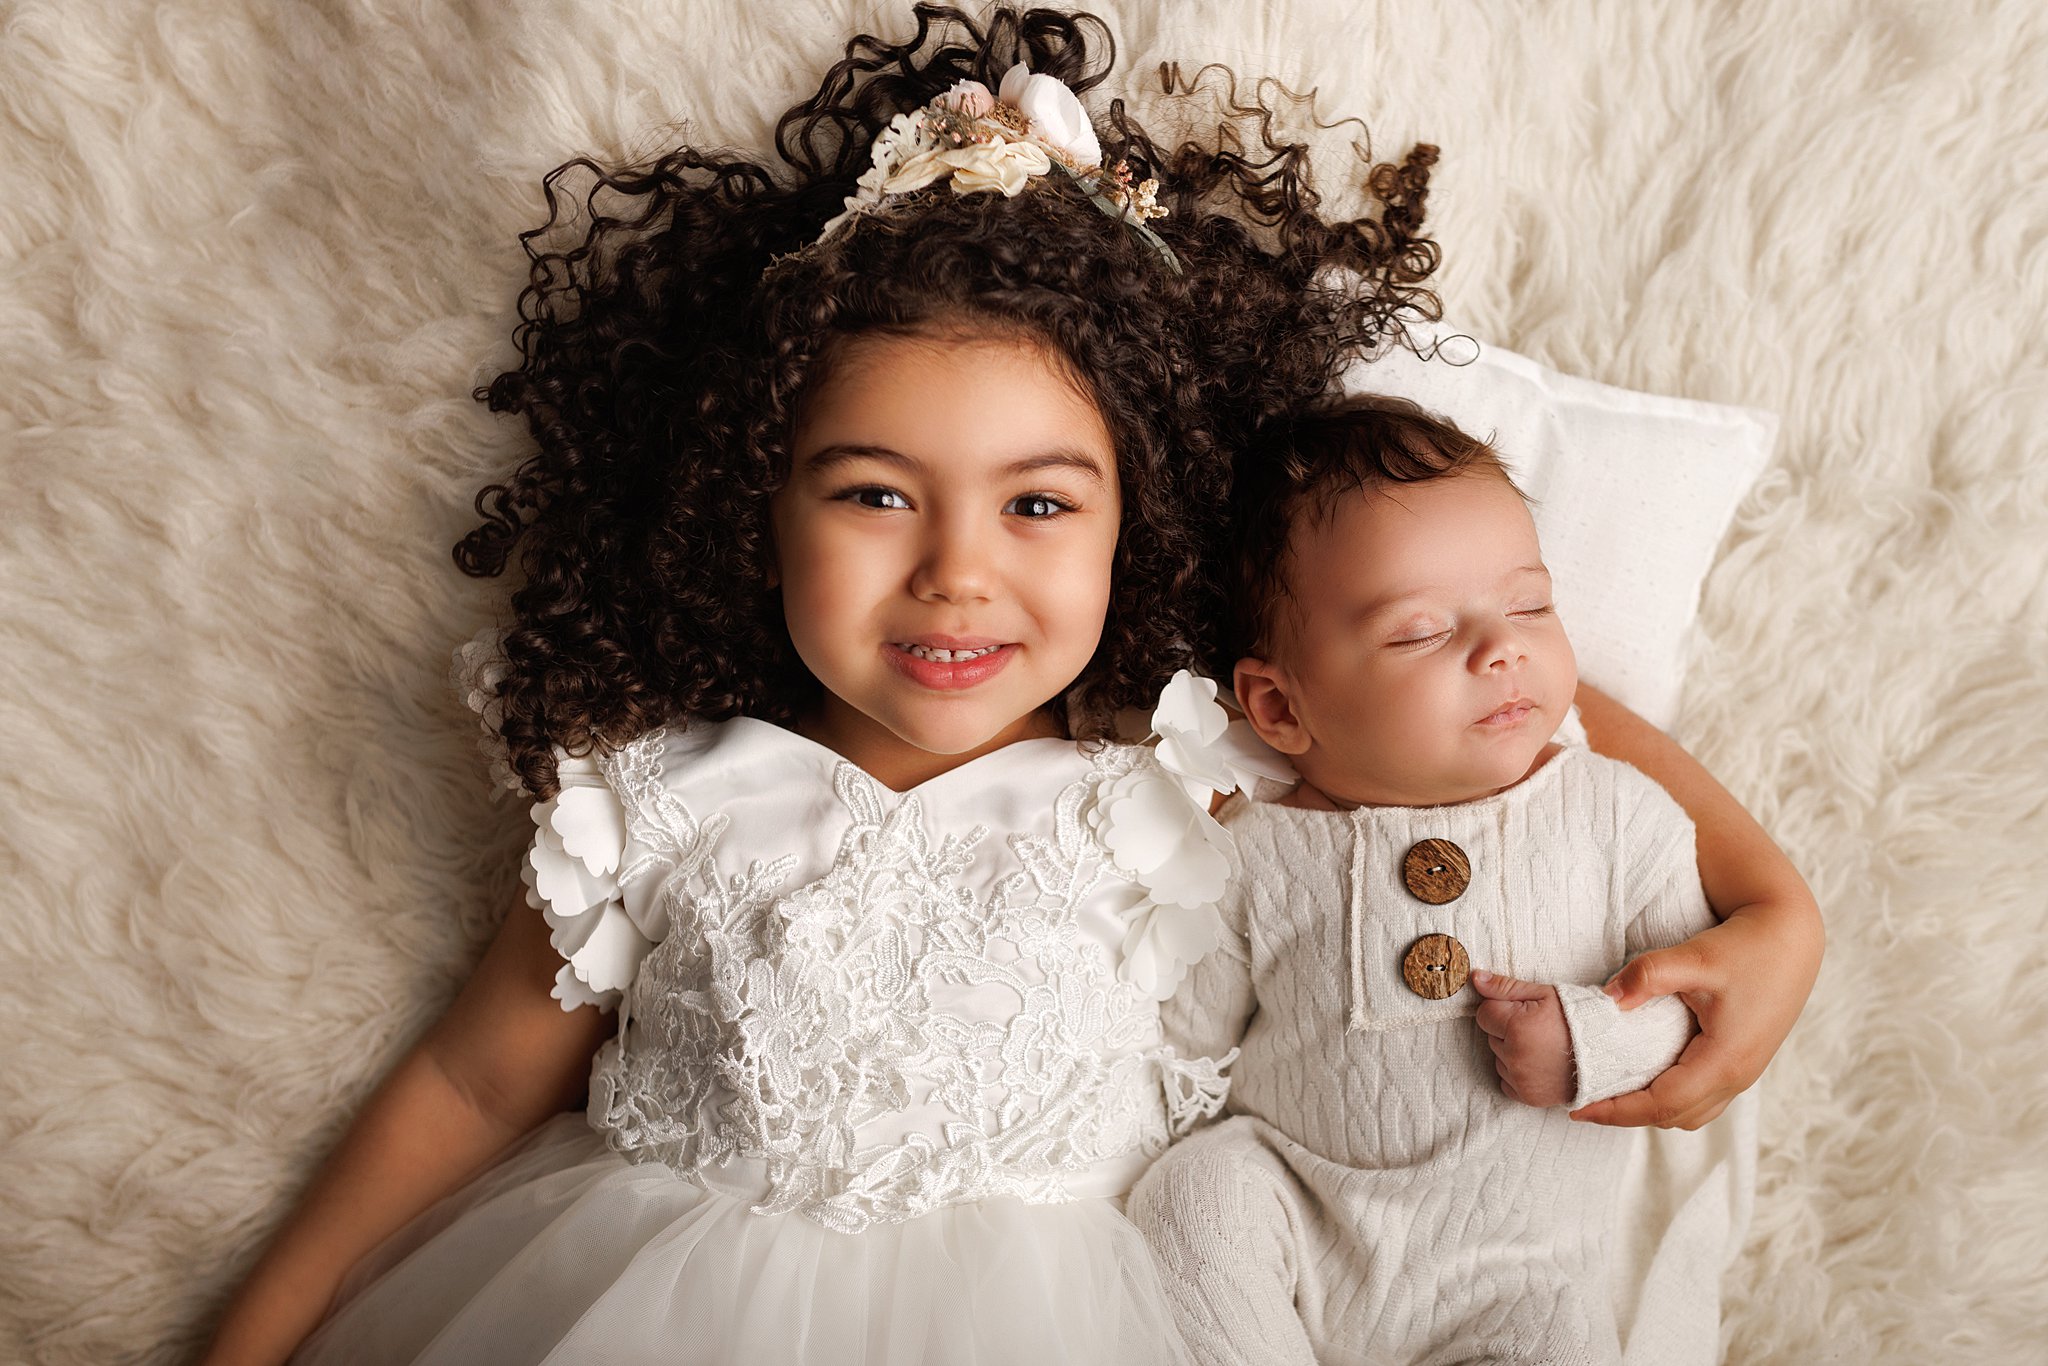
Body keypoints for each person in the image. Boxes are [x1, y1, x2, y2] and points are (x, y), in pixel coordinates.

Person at [198, 8, 1450, 1365]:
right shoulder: (657, 802)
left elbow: (1488, 695)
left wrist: (1730, 896)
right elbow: (473, 1075)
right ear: (759, 510)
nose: (955, 574)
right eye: (873, 494)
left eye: (1037, 502)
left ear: (1136, 525)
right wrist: (248, 1341)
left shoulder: (1184, 781)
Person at [1129, 396, 1811, 1364]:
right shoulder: (1252, 849)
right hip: (1299, 1203)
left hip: (1516, 1274)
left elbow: (1694, 1002)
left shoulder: (1618, 815)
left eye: (1529, 604)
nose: (1501, 647)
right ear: (1279, 707)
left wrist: (1588, 1040)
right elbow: (1184, 1046)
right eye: (1416, 632)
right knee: (1187, 1202)